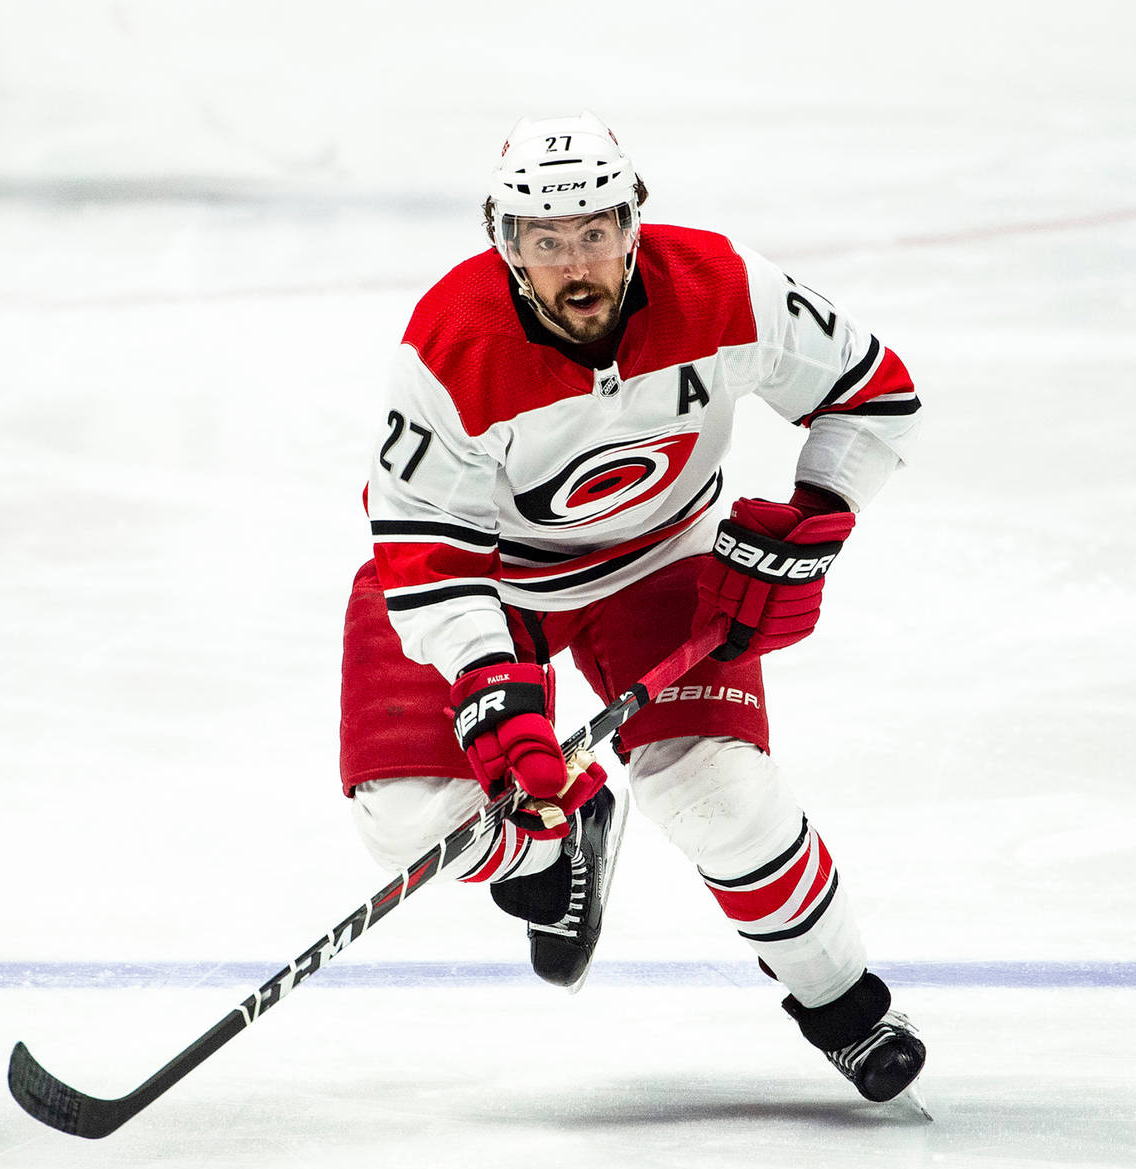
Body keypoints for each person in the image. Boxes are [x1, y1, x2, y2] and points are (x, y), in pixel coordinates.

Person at [339, 111, 925, 1102]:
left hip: (656, 563)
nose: (577, 266)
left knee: (719, 796)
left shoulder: (727, 289)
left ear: (633, 222)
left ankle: (847, 1008)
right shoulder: (448, 348)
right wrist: (493, 689)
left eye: (596, 234)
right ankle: (554, 843)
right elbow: (422, 550)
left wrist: (818, 519)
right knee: (410, 819)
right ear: (506, 241)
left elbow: (872, 392)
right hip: (482, 582)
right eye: (547, 240)